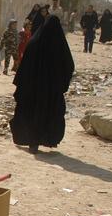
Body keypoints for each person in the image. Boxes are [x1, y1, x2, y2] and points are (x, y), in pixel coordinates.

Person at [10, 15, 74, 154]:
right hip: (51, 91)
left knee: (30, 112)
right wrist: (60, 84)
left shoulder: (33, 43)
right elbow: (69, 66)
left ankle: (33, 142)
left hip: (31, 89)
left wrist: (23, 84)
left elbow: (24, 66)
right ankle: (47, 139)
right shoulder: (59, 46)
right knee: (49, 113)